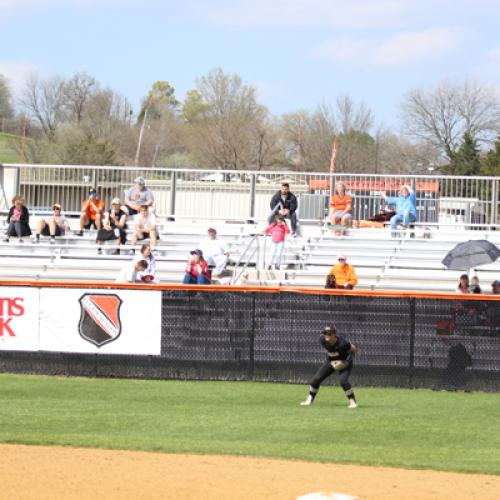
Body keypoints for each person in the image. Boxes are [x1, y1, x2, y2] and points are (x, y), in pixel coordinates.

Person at [300, 325, 358, 408]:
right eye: (325, 333)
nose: (326, 335)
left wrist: (347, 361)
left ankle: (353, 401)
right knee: (316, 379)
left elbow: (354, 350)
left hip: (344, 362)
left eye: (329, 333)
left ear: (334, 334)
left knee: (343, 381)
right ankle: (309, 399)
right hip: (331, 361)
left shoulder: (343, 343)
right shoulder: (322, 339)